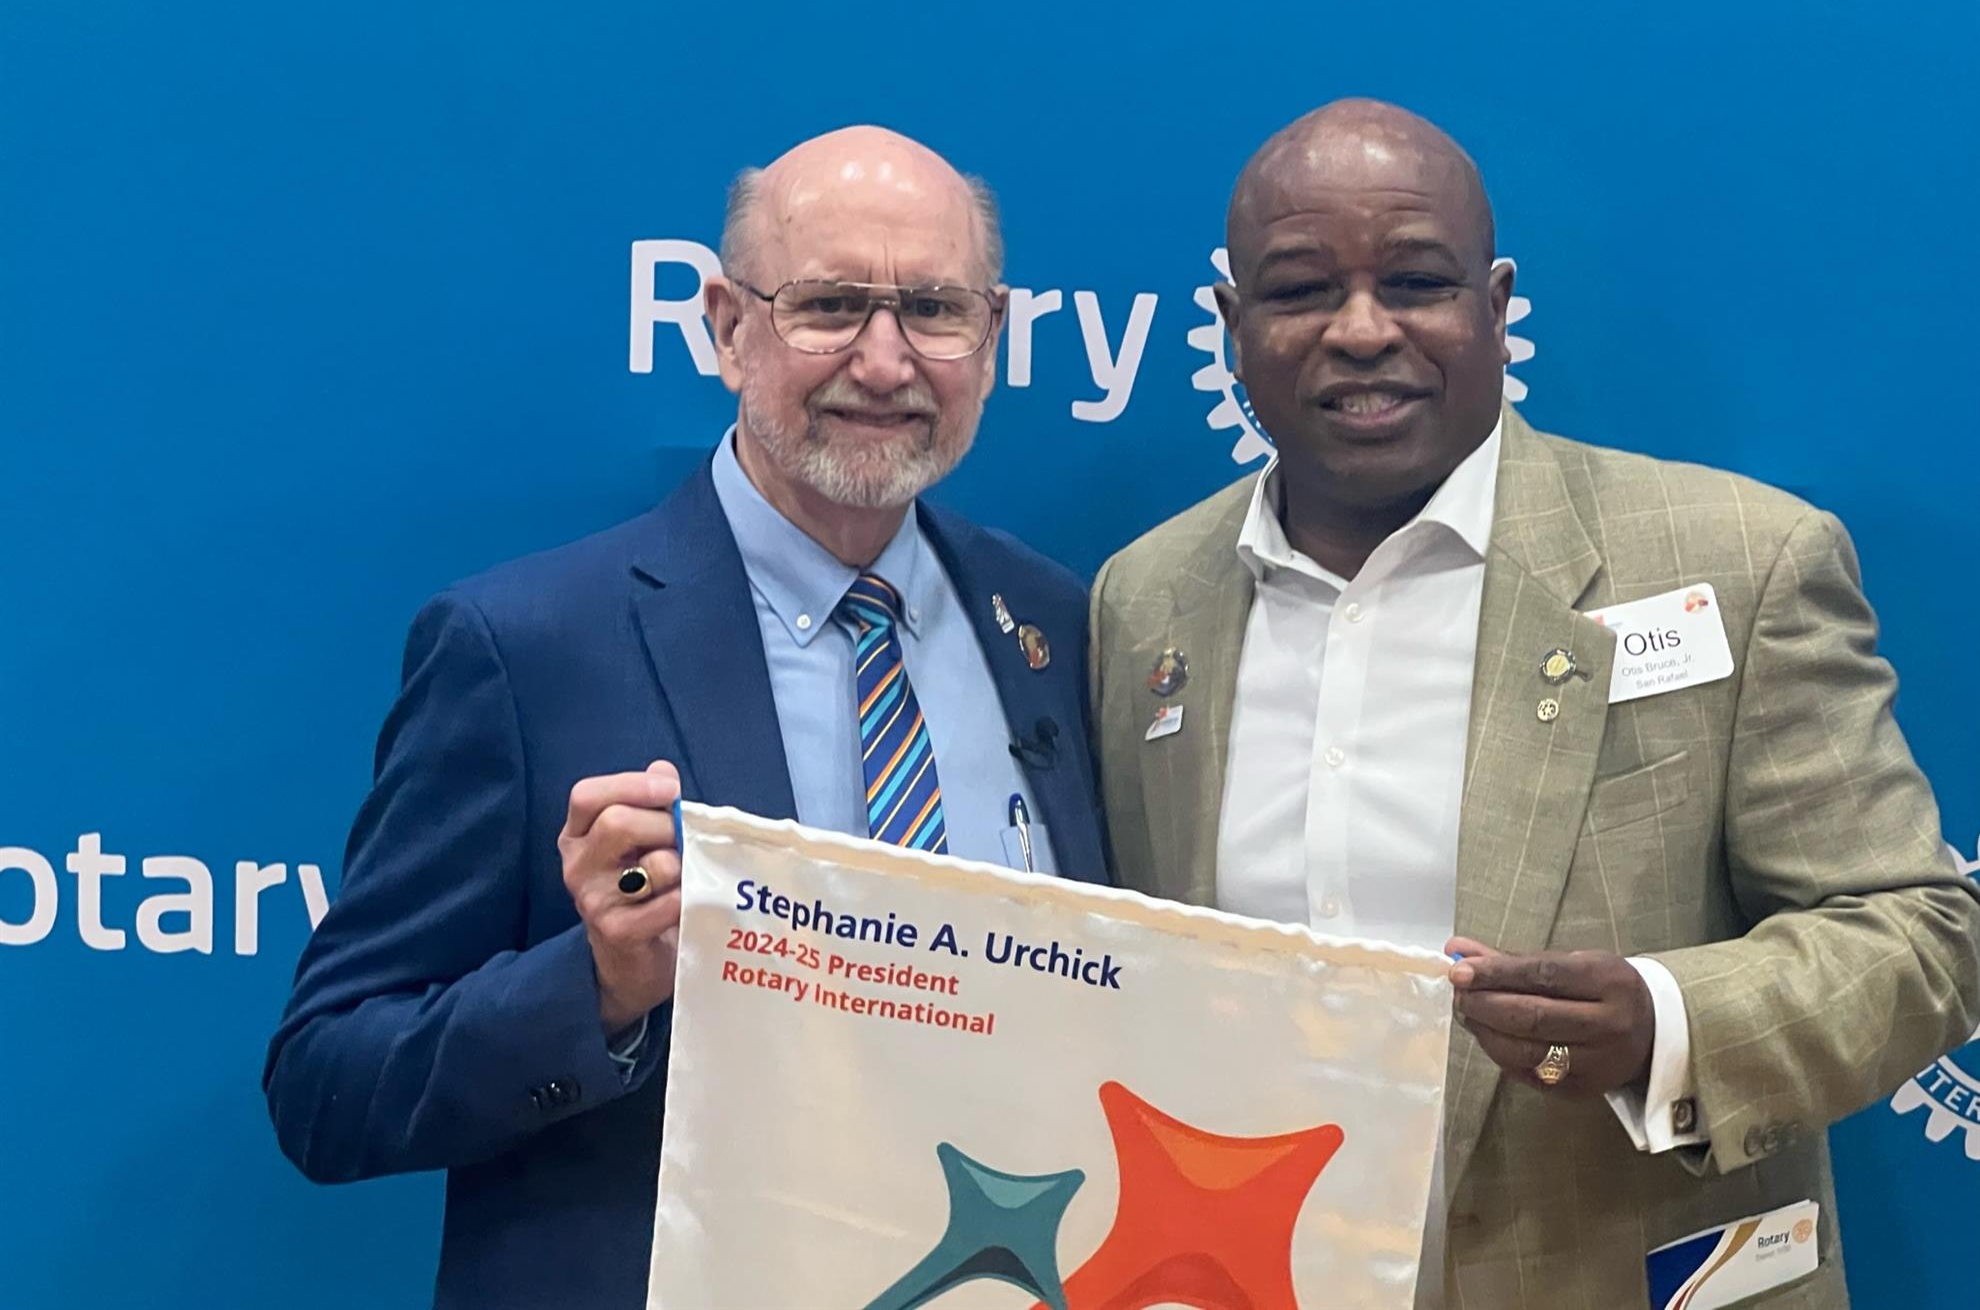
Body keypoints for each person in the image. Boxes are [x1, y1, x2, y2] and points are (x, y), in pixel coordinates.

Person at [1088, 98, 1980, 1308]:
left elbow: (1920, 932)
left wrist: (1666, 1023)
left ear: (1497, 306)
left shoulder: (1740, 559)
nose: (1363, 330)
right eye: (1301, 291)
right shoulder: (1145, 600)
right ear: (1231, 325)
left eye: (1417, 281)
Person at [265, 126, 1110, 1309]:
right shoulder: (527, 647)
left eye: (932, 309)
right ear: (725, 327)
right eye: (829, 306)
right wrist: (600, 985)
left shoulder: (1058, 625)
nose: (883, 362)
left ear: (994, 332)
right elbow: (326, 1080)